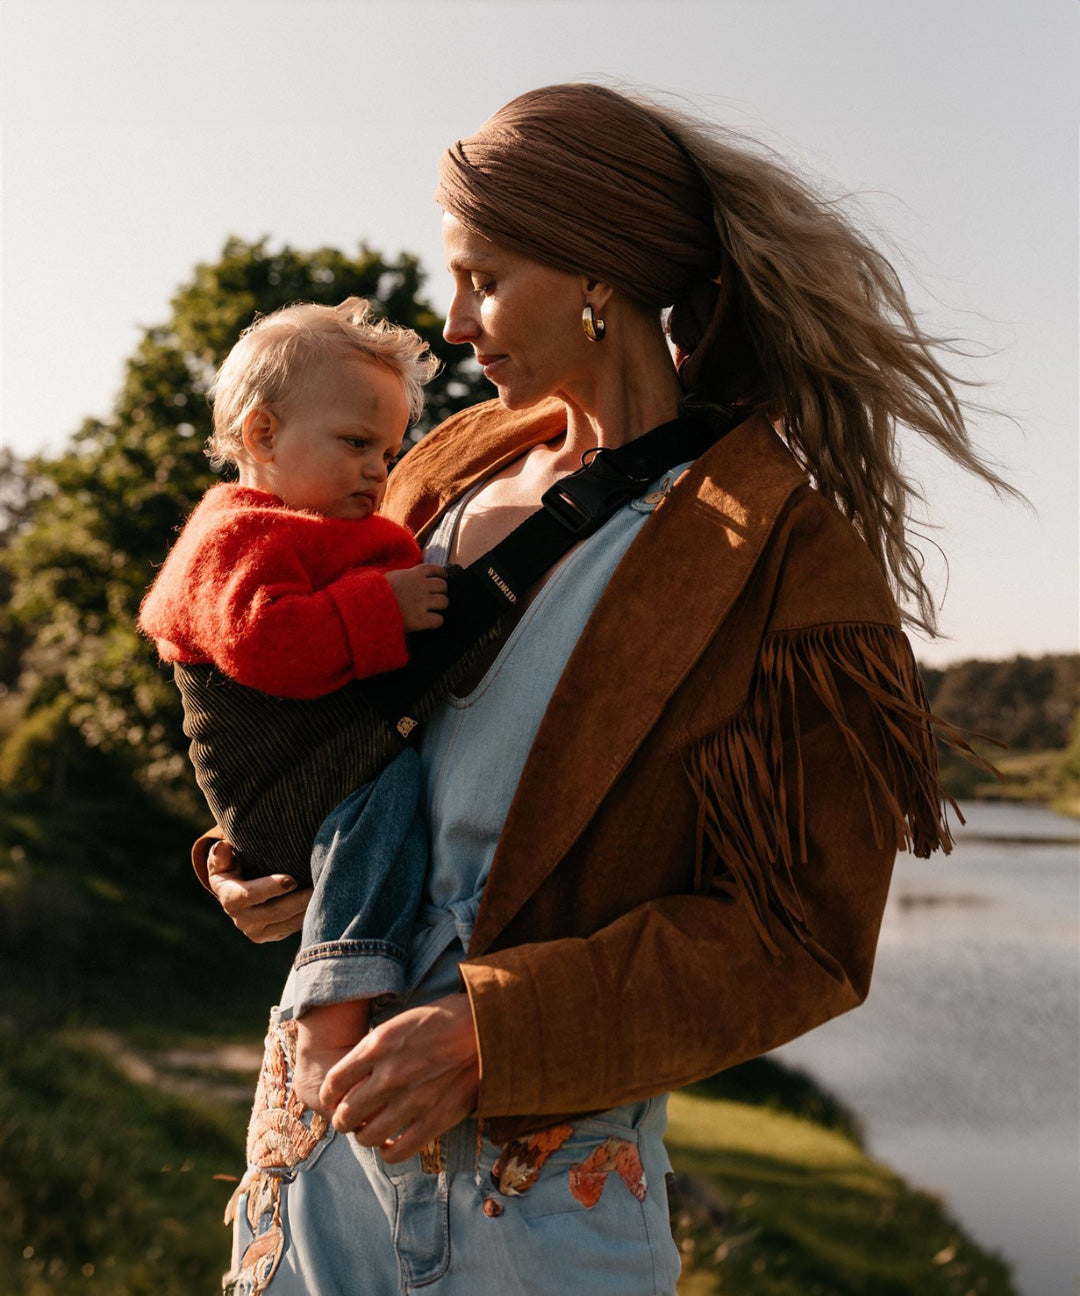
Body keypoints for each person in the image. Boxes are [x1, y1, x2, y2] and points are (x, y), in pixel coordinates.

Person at [199, 84, 1010, 1296]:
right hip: (307, 1167)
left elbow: (801, 937)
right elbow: (319, 705)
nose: (459, 318)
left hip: (527, 1214)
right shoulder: (440, 468)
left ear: (596, 273)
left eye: (485, 276)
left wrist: (494, 1029)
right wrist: (254, 854)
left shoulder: (779, 557)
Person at [139, 298, 448, 1115]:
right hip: (286, 781)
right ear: (263, 434)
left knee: (387, 801)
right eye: (355, 444)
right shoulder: (236, 537)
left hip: (318, 763)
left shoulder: (310, 526)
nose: (380, 469)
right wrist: (385, 607)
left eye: (388, 449)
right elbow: (266, 645)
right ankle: (330, 1005)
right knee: (381, 802)